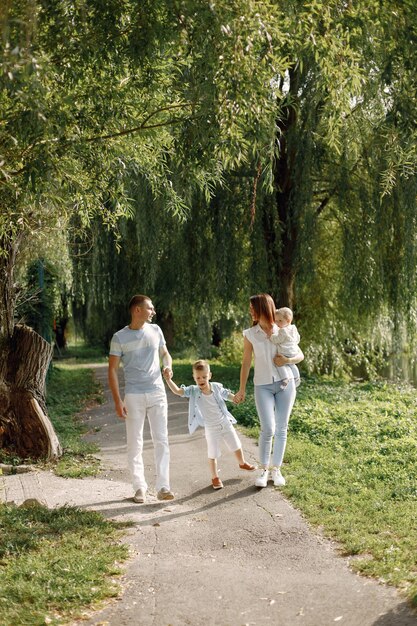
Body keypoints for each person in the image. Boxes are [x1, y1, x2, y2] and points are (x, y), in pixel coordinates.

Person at [108, 294, 174, 504]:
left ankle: (163, 486)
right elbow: (112, 370)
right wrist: (118, 401)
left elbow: (166, 354)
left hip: (157, 392)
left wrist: (168, 365)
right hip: (134, 395)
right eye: (150, 308)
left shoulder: (156, 330)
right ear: (137, 310)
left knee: (161, 439)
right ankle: (139, 488)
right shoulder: (119, 337)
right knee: (135, 443)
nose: (153, 311)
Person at [234, 294, 304, 489]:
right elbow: (246, 362)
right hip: (262, 385)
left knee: (282, 428)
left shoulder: (283, 328)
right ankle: (263, 470)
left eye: (252, 308)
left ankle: (276, 470)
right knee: (268, 429)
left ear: (263, 308)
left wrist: (287, 361)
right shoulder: (250, 333)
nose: (250, 311)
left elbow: (300, 355)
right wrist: (241, 389)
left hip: (285, 383)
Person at [163, 359, 256, 490]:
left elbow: (227, 395)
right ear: (194, 378)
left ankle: (242, 463)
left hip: (224, 422)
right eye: (198, 377)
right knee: (212, 454)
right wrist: (168, 380)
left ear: (210, 376)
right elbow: (178, 391)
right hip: (211, 428)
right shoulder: (194, 391)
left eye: (204, 377)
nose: (201, 380)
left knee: (236, 445)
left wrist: (235, 398)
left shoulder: (216, 387)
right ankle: (215, 477)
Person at [269, 306, 301, 389]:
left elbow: (277, 340)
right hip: (293, 351)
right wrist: (293, 343)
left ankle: (285, 378)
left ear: (288, 321)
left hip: (285, 351)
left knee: (278, 363)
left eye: (280, 321)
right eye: (276, 321)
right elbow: (298, 338)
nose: (277, 323)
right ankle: (297, 377)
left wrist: (271, 336)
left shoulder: (282, 330)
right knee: (292, 364)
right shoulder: (294, 328)